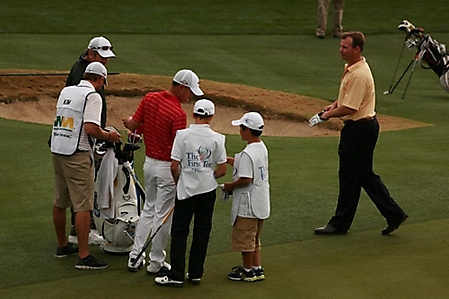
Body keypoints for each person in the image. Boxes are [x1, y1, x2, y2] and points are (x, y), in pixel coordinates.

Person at [309, 31, 408, 235]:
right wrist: (332, 106)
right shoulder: (352, 68)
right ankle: (394, 214)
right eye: (340, 46)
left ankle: (339, 224)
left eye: (345, 47)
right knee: (364, 176)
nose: (341, 50)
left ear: (357, 49)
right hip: (363, 128)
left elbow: (349, 108)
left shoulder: (358, 75)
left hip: (359, 130)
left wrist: (324, 116)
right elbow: (345, 101)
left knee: (349, 176)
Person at [123, 69, 204, 275]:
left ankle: (135, 256)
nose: (190, 97)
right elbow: (178, 149)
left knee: (149, 209)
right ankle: (155, 262)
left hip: (149, 164)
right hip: (167, 168)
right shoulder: (178, 113)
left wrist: (127, 121)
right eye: (189, 92)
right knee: (163, 216)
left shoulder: (150, 98)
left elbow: (134, 125)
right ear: (181, 87)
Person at [51, 62, 121, 269]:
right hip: (77, 153)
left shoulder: (67, 90)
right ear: (100, 80)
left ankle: (63, 246)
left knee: (60, 200)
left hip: (58, 148)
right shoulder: (93, 96)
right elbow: (90, 127)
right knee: (83, 205)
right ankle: (84, 256)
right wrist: (109, 135)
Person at [155, 99, 227, 287]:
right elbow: (222, 169)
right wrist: (208, 176)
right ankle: (195, 274)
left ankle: (176, 275)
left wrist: (180, 181)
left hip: (186, 190)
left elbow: (174, 166)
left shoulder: (182, 135)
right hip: (208, 190)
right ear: (211, 117)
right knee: (202, 231)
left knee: (179, 231)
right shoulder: (218, 138)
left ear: (194, 114)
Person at [66, 36, 116, 245]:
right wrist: (103, 135)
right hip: (83, 141)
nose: (105, 61)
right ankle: (81, 233)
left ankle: (79, 230)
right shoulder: (84, 74)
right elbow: (86, 117)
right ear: (91, 53)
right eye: (102, 57)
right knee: (85, 189)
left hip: (79, 139)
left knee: (81, 189)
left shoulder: (87, 69)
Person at [222, 112, 270, 282]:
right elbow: (247, 165)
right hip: (261, 201)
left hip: (248, 204)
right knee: (255, 237)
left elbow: (246, 179)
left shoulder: (249, 152)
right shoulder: (260, 148)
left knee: (246, 240)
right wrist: (227, 160)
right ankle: (257, 268)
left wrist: (229, 186)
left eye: (241, 128)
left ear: (248, 130)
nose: (239, 131)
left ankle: (248, 271)